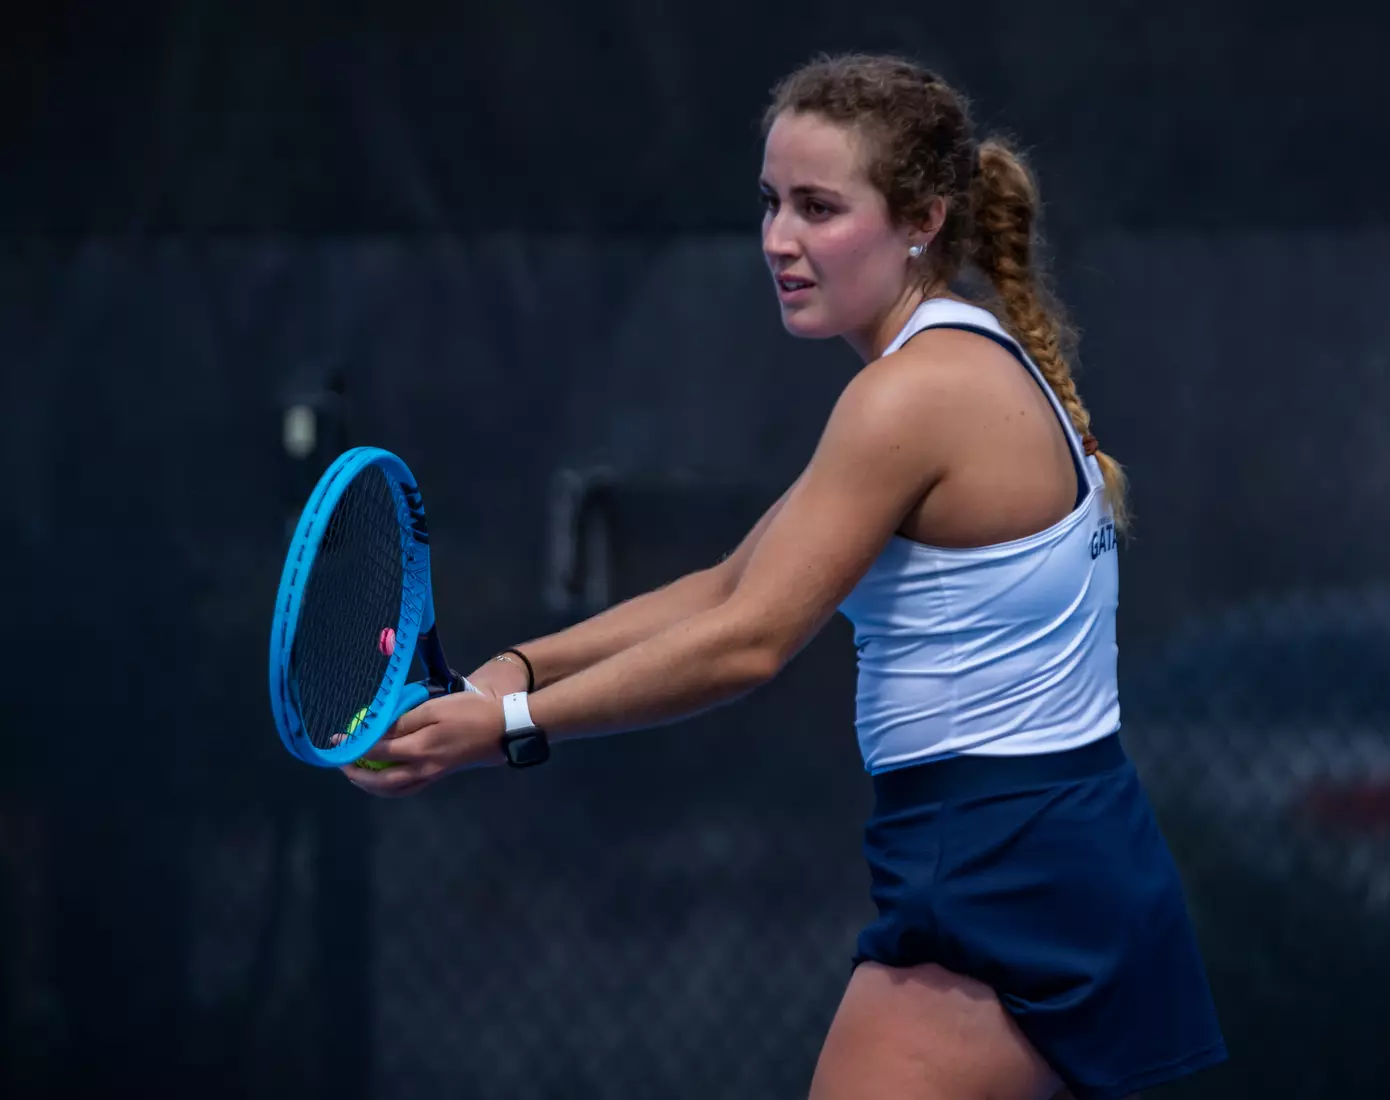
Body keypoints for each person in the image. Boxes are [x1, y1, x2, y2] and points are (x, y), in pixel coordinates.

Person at [347, 52, 1226, 1100]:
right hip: (1042, 854)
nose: (779, 239)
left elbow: (750, 640)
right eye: (771, 202)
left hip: (1007, 873)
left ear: (922, 220)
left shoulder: (912, 395)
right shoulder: (951, 363)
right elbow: (730, 582)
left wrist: (509, 726)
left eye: (819, 207)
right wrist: (509, 669)